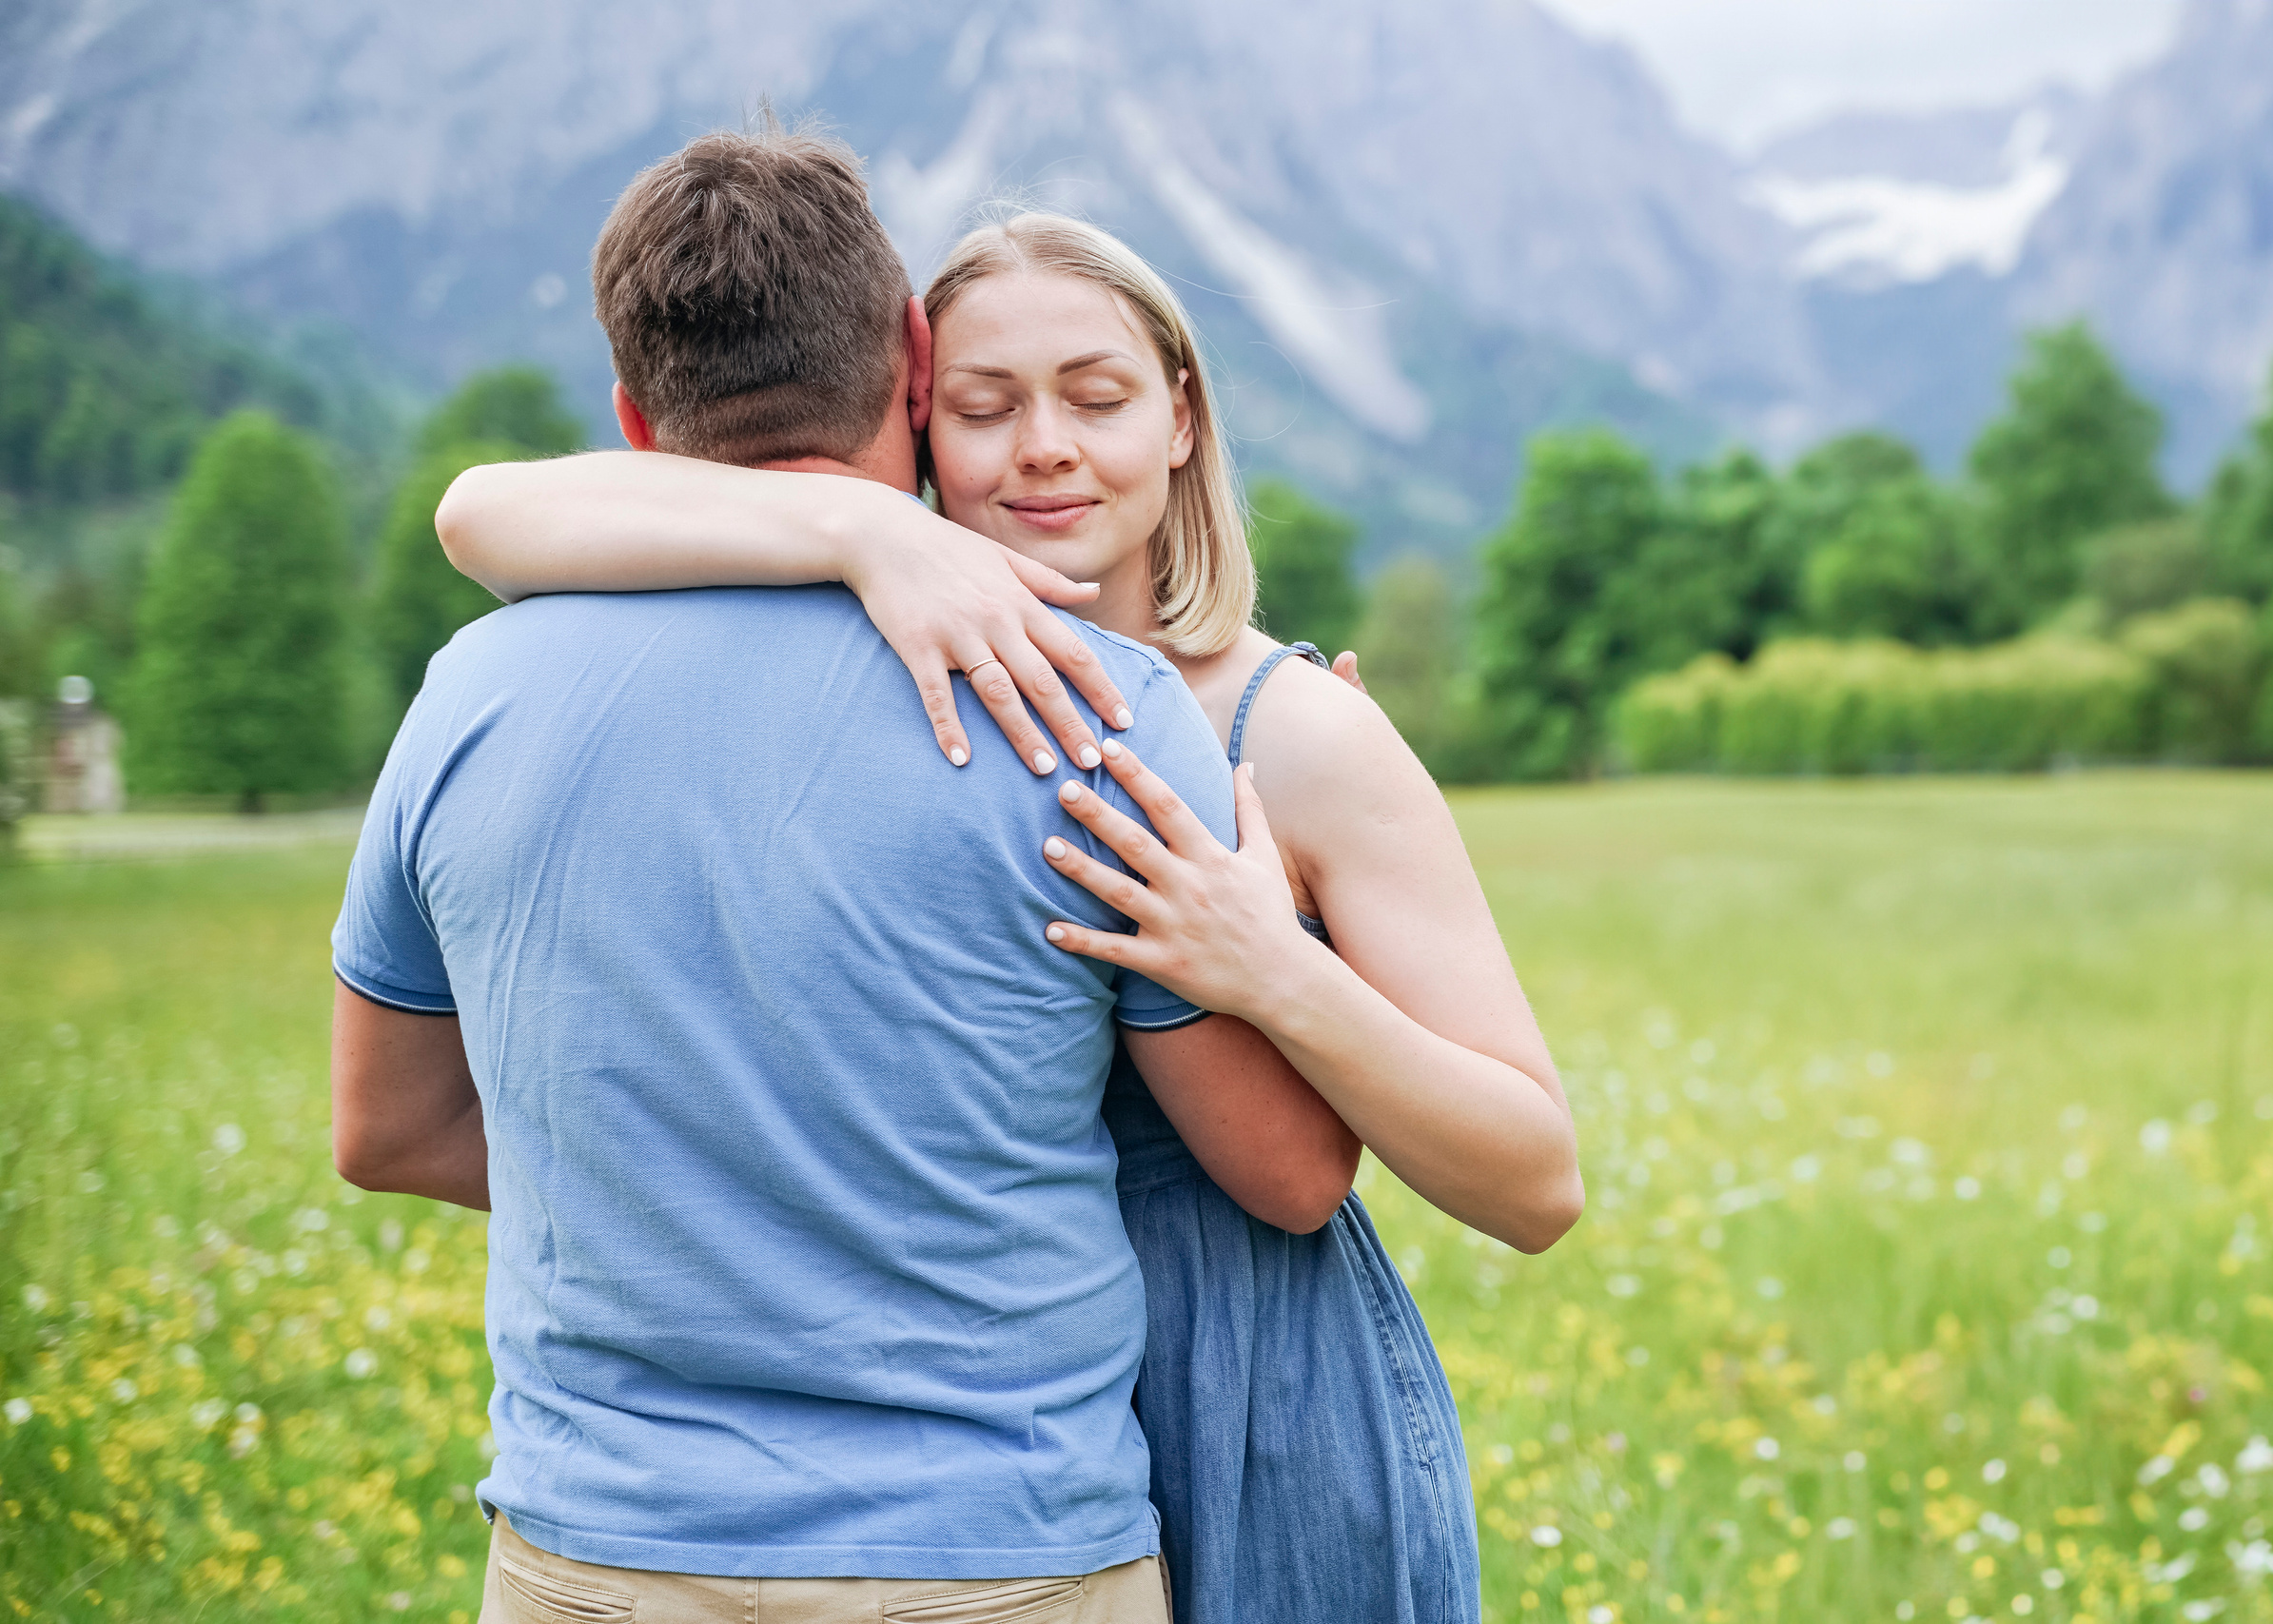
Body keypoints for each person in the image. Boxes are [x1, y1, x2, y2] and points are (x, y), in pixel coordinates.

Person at [440, 206, 1585, 1622]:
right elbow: (482, 512)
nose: (1043, 445)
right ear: (914, 416)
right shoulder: (897, 676)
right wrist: (857, 528)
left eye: (1096, 397)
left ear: (1182, 416)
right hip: (972, 1413)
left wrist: (1276, 973)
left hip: (1237, 1378)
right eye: (985, 408)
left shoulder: (1287, 734)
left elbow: (1535, 1181)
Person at [329, 125, 1352, 1624]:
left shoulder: (464, 700)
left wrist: (696, 1196)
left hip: (592, 1552)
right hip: (1000, 1557)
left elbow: (385, 1130)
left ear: (628, 413)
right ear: (918, 366)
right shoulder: (1088, 704)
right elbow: (1291, 1175)